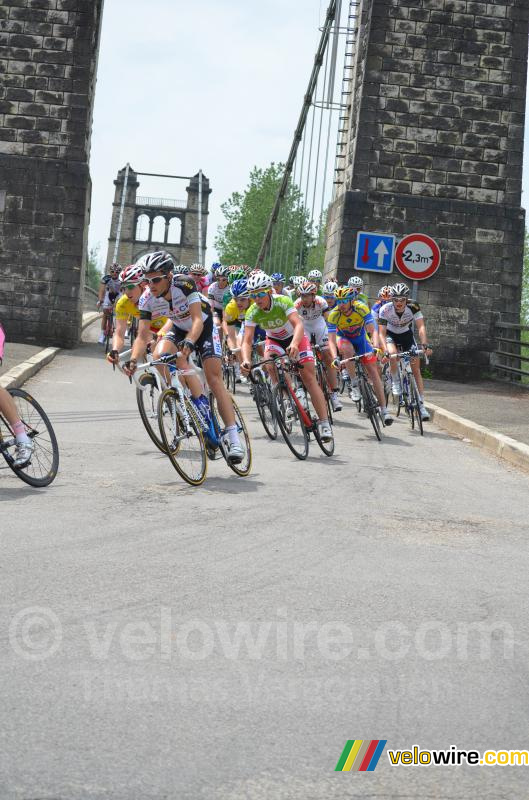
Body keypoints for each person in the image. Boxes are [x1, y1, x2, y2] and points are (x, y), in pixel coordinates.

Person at [125, 251, 244, 463]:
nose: (151, 285)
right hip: (179, 327)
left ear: (169, 276)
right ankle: (183, 397)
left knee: (214, 378)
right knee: (160, 355)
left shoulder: (184, 284)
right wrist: (133, 360)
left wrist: (190, 342)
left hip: (204, 327)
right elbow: (142, 335)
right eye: (147, 280)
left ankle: (234, 437)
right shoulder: (146, 299)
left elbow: (198, 320)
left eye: (156, 279)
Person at [240, 272, 333, 442]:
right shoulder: (252, 311)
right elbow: (247, 340)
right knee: (270, 364)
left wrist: (296, 344)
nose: (257, 299)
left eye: (260, 294)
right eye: (253, 296)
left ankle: (324, 422)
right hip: (274, 340)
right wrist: (245, 359)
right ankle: (286, 398)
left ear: (269, 291)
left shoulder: (282, 301)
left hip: (296, 338)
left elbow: (298, 325)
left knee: (309, 378)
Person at [327, 285, 393, 425]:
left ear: (352, 300)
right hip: (344, 339)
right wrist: (334, 358)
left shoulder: (361, 308)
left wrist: (375, 347)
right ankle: (354, 383)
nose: (341, 305)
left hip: (361, 339)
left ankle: (384, 410)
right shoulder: (334, 314)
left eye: (345, 301)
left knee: (374, 373)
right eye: (338, 301)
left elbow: (372, 330)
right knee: (347, 348)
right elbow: (331, 341)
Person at [377, 282, 432, 421]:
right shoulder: (385, 309)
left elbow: (421, 328)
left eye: (402, 299)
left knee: (415, 369)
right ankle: (395, 380)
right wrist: (385, 352)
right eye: (396, 299)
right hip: (390, 335)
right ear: (392, 299)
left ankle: (421, 405)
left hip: (406, 335)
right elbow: (381, 334)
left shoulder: (413, 306)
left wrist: (424, 344)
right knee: (393, 354)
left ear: (407, 299)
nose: (399, 303)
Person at [294, 280, 342, 412]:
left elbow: (329, 319)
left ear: (313, 296)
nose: (304, 298)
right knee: (302, 358)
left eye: (307, 296)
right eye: (302, 295)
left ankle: (333, 394)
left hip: (319, 326)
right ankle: (301, 387)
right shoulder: (296, 304)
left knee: (328, 357)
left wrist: (335, 335)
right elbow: (293, 323)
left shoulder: (321, 302)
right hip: (305, 328)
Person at [106, 264, 168, 364]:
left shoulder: (156, 296)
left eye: (130, 286)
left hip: (169, 327)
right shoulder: (123, 303)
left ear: (143, 284)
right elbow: (119, 332)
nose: (127, 292)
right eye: (124, 287)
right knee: (145, 345)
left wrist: (161, 335)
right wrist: (115, 350)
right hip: (149, 330)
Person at [97, 262, 121, 344]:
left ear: (119, 273)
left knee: (119, 311)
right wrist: (100, 300)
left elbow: (125, 291)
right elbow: (102, 290)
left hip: (118, 294)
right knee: (105, 313)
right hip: (109, 294)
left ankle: (117, 329)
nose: (114, 273)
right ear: (110, 272)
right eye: (112, 271)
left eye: (117, 272)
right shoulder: (106, 278)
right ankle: (102, 334)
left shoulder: (122, 279)